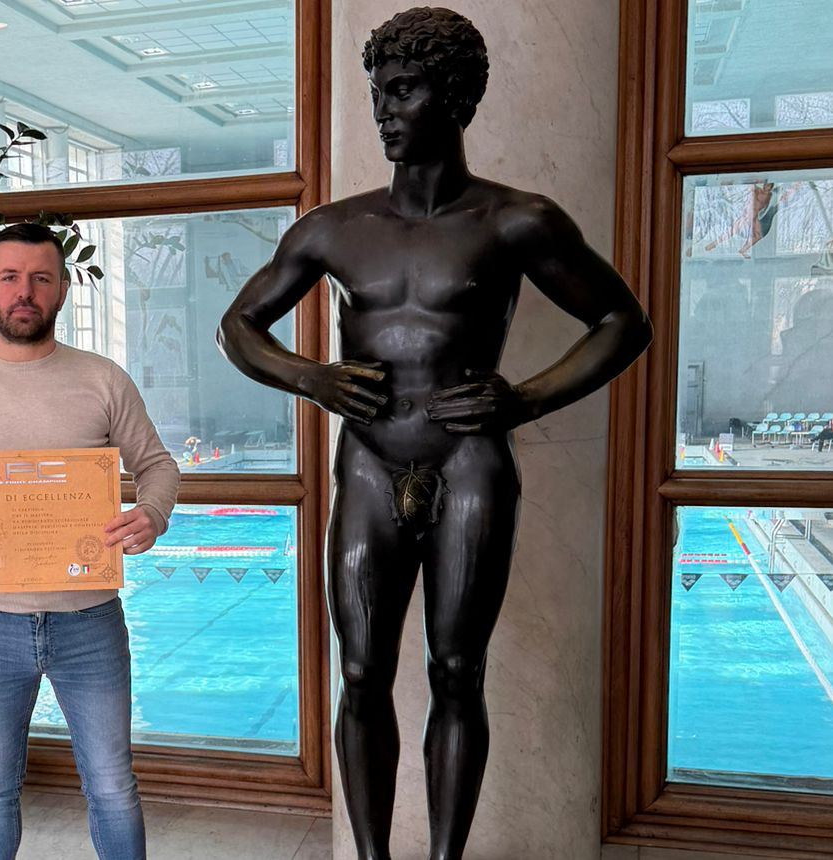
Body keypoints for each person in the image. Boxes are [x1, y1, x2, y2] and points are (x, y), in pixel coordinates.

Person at [216, 9, 651, 859]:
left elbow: (622, 321)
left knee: (456, 671)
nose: (384, 110)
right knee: (359, 672)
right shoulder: (333, 228)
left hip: (470, 462)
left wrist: (526, 399)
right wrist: (312, 378)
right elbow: (238, 326)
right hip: (369, 462)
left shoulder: (517, 220)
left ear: (453, 99)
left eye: (404, 91)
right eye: (378, 92)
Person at [0, 222, 181, 860]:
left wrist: (152, 513)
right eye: (11, 277)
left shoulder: (102, 379)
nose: (26, 292)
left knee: (112, 786)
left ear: (63, 290)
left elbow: (158, 465)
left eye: (41, 278)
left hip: (90, 621)